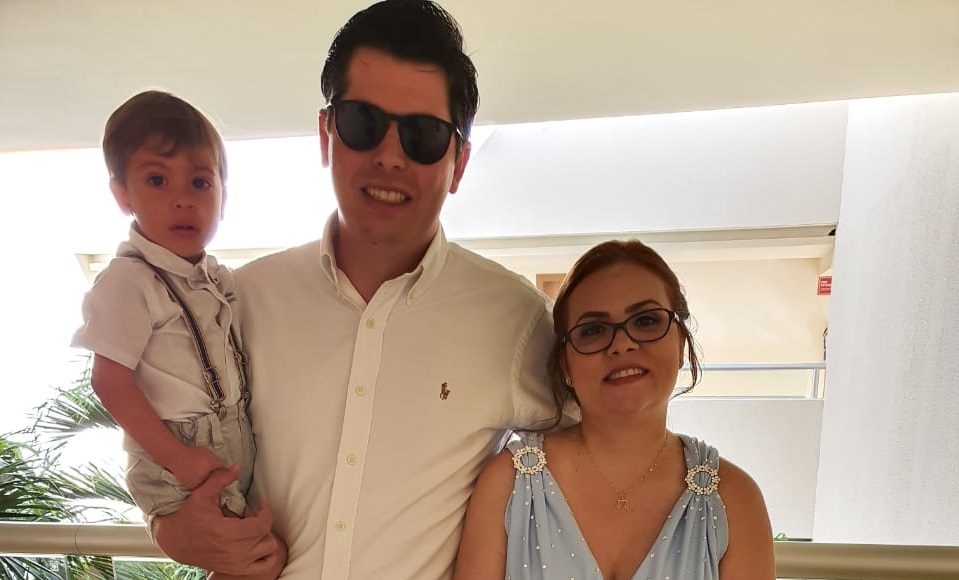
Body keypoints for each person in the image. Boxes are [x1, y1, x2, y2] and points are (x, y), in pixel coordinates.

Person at [152, 2, 560, 578]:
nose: (389, 157)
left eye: (422, 135)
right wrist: (172, 530)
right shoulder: (239, 302)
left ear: (459, 162)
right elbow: (167, 451)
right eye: (363, 123)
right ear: (326, 135)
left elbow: (600, 455)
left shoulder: (515, 319)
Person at [454, 240, 776, 579]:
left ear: (680, 344)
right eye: (593, 330)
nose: (622, 344)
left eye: (646, 320)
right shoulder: (507, 484)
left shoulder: (735, 500)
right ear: (565, 364)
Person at [72, 90, 286, 579]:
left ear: (223, 197)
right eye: (156, 179)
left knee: (257, 559)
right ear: (122, 194)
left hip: (228, 434)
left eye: (200, 181)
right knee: (252, 560)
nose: (182, 198)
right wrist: (176, 457)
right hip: (179, 447)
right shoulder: (129, 280)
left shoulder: (215, 279)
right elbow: (109, 380)